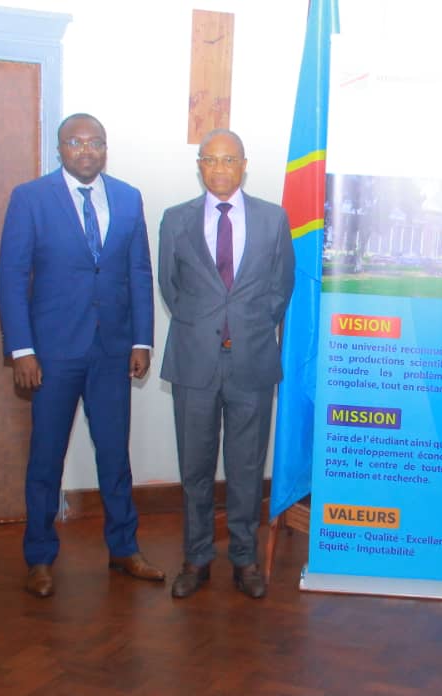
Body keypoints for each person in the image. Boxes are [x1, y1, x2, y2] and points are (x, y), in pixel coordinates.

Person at [0, 113, 164, 599]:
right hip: (51, 354)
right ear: (60, 148)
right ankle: (39, 557)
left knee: (114, 455)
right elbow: (12, 277)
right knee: (46, 459)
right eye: (76, 142)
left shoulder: (128, 197)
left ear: (105, 149)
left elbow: (139, 272)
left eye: (95, 143)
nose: (86, 150)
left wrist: (142, 340)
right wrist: (22, 349)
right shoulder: (31, 198)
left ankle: (124, 548)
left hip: (112, 351)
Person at [158, 129, 294, 600]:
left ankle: (244, 558)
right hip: (194, 361)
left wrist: (248, 326)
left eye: (229, 159)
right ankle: (196, 558)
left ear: (244, 165)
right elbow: (171, 287)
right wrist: (205, 326)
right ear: (199, 165)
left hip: (252, 362)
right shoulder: (175, 219)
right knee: (194, 468)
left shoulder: (273, 219)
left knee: (246, 468)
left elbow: (281, 288)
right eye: (210, 159)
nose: (219, 168)